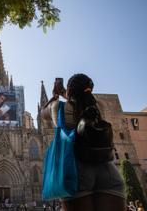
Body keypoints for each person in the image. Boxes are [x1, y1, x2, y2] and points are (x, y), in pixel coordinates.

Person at [41, 74, 126, 211]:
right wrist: (66, 93)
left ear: (69, 91)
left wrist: (56, 95)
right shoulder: (97, 107)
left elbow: (43, 114)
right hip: (109, 172)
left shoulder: (57, 107)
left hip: (77, 174)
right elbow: (83, 100)